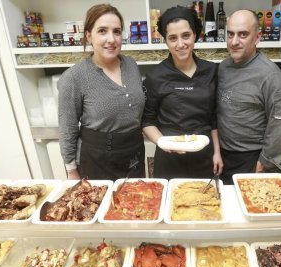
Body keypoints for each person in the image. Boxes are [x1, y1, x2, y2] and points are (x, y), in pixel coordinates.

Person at [58, 4, 145, 180]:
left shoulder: (131, 65)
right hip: (97, 159)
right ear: (89, 36)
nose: (111, 39)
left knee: (139, 203)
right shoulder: (74, 77)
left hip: (134, 152)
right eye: (103, 31)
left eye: (117, 32)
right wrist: (71, 170)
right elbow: (67, 128)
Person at [142, 6, 223, 179]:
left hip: (204, 155)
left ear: (195, 35)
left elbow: (214, 118)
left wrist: (217, 152)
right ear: (166, 41)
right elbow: (147, 121)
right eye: (173, 38)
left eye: (186, 35)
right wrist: (162, 143)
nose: (180, 44)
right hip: (169, 156)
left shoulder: (211, 70)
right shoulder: (155, 76)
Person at [217, 9, 281, 184]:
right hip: (223, 157)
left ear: (257, 37)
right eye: (230, 34)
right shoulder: (223, 67)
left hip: (252, 160)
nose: (234, 41)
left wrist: (266, 162)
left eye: (243, 34)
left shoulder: (270, 76)